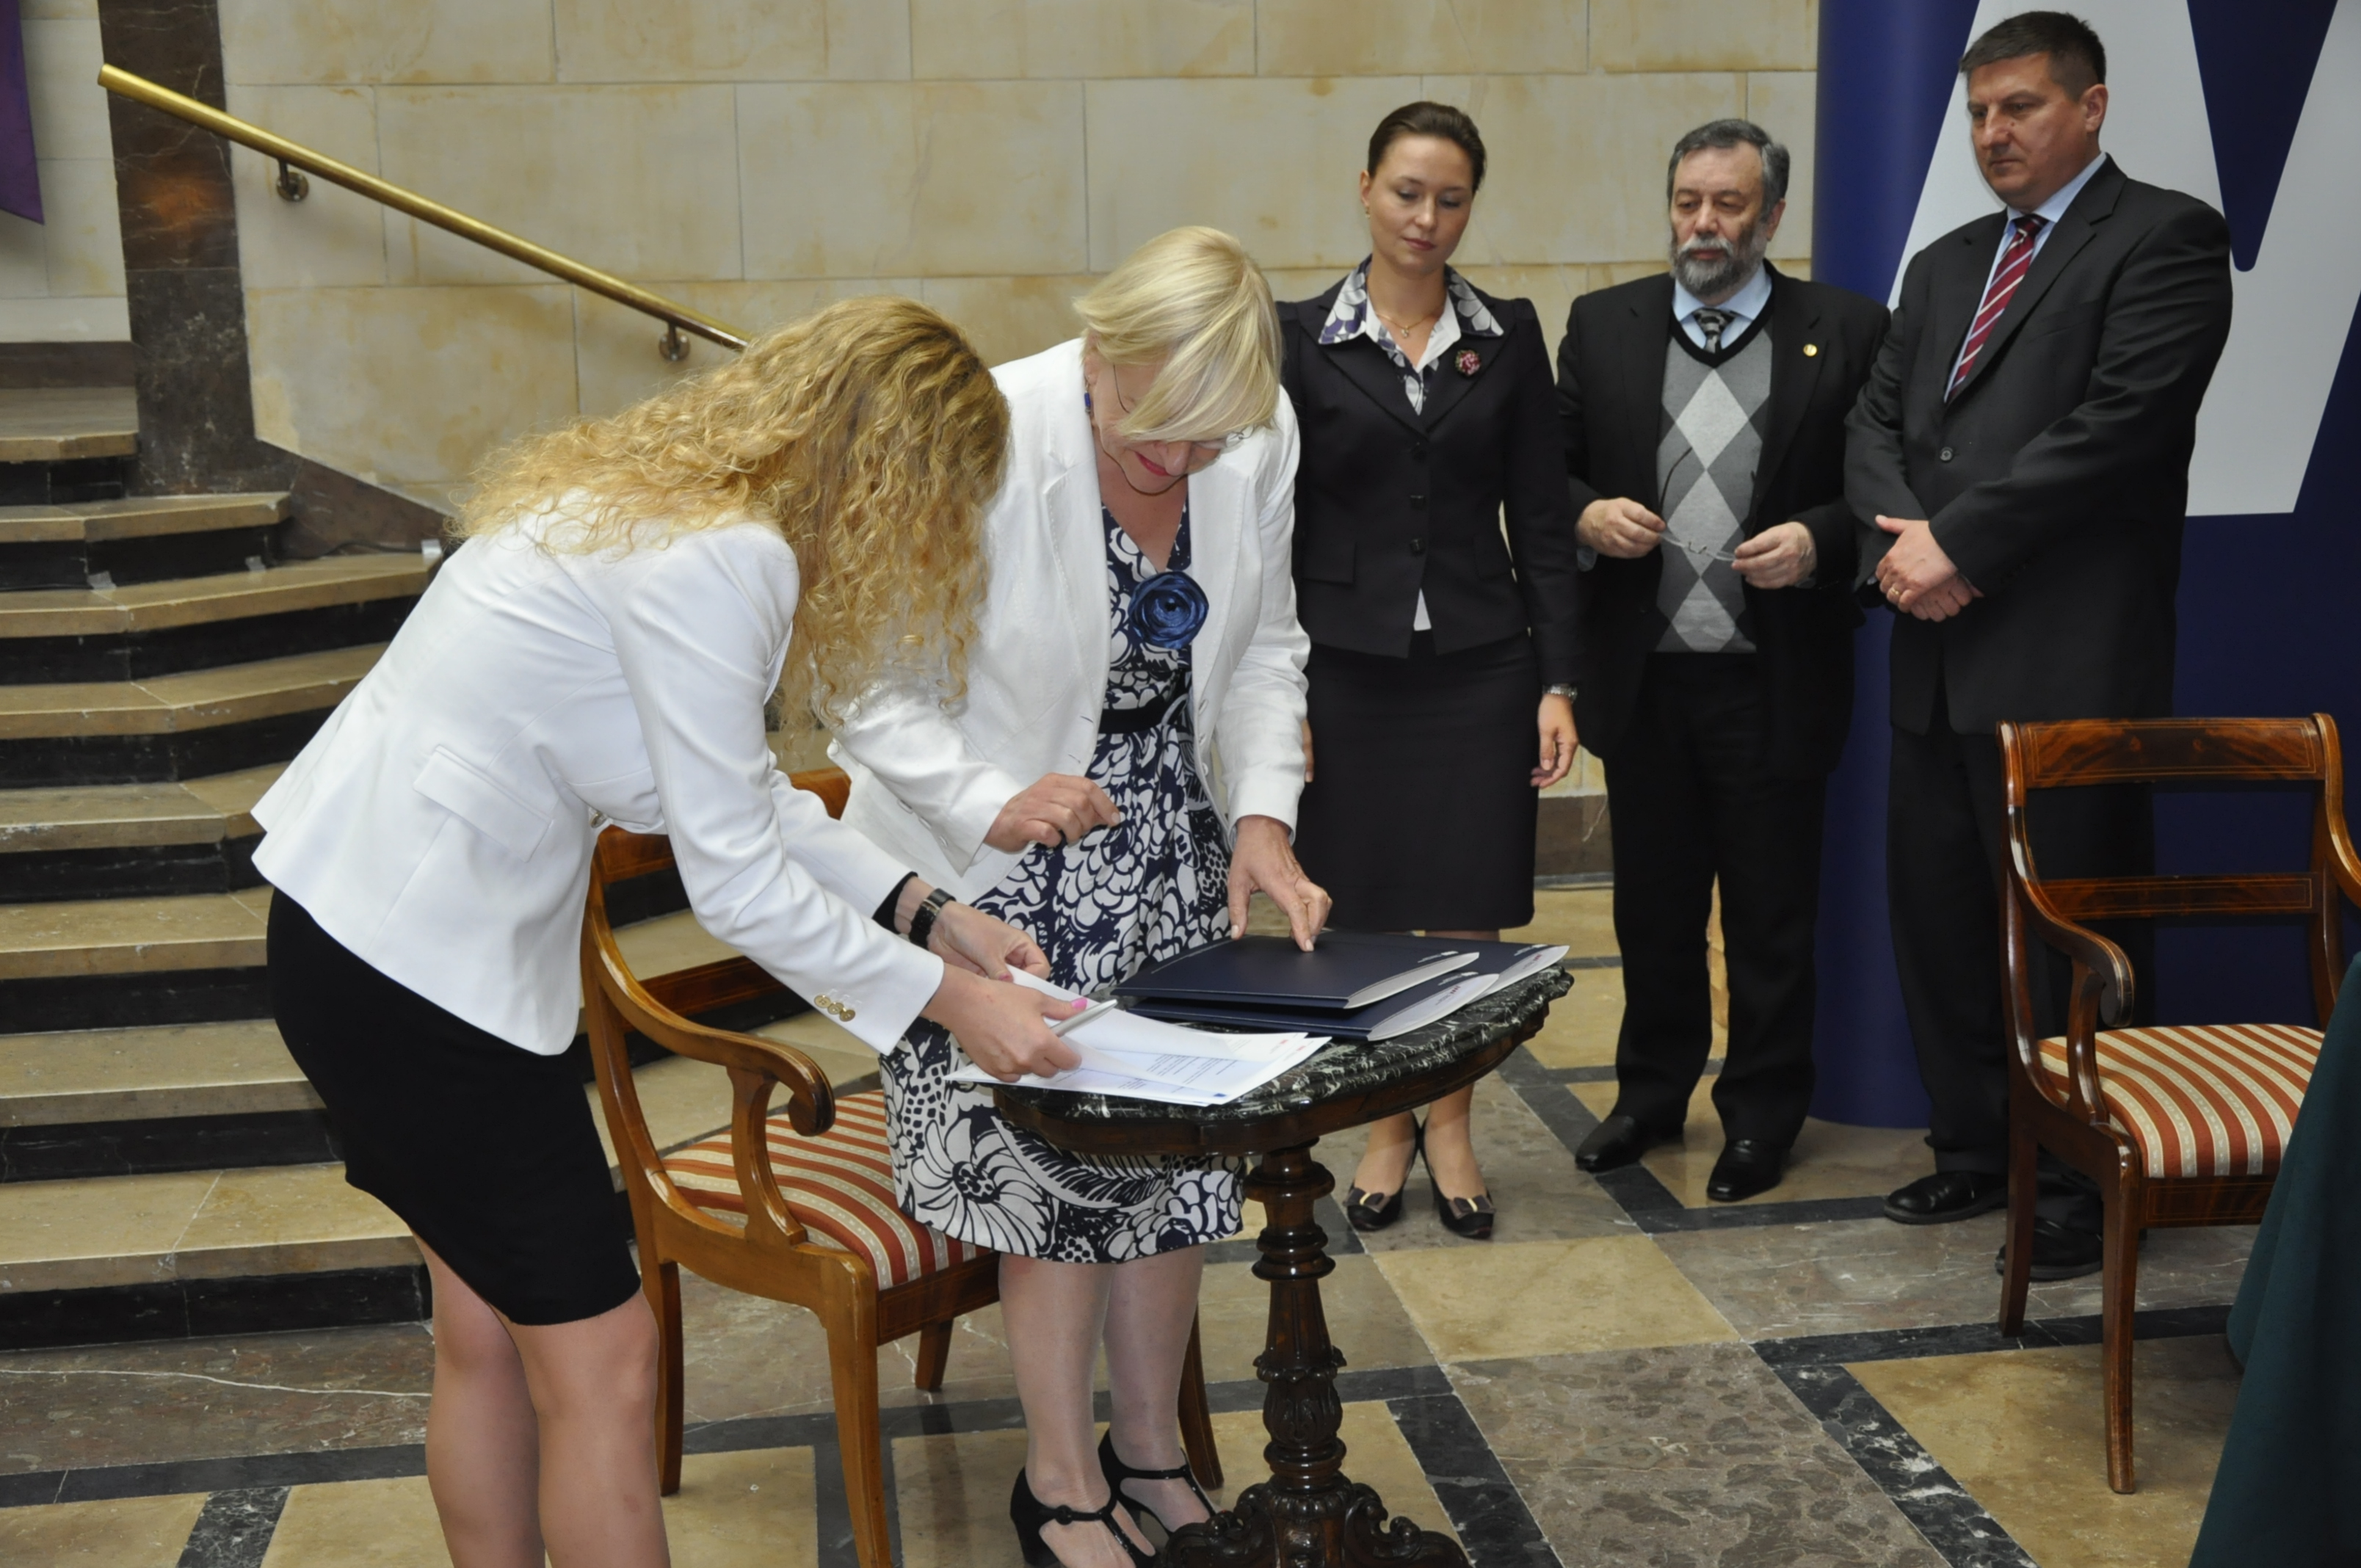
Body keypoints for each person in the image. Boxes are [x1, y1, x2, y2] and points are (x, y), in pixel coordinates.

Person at [254, 297, 1090, 1568]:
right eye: (947, 499)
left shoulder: (652, 506)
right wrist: (956, 1002)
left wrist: (932, 913)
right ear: (896, 474)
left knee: (486, 1334)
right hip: (420, 983)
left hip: (359, 940)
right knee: (609, 1364)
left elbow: (743, 797)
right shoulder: (726, 557)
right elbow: (738, 886)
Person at [830, 228, 1327, 1568]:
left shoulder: (1257, 428)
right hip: (991, 880)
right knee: (1054, 1180)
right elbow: (863, 681)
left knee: (1178, 1170)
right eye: (1156, 430)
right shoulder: (981, 436)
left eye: (1210, 439)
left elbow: (1268, 646)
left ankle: (1150, 1452)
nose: (1183, 461)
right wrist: (988, 796)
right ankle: (1057, 1485)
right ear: (1100, 353)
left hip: (1170, 849)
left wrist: (1264, 817)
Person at [1847, 12, 2233, 1276]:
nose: (1993, 133)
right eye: (1978, 113)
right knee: (1944, 926)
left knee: (2074, 934)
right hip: (1934, 658)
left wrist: (1955, 546)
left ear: (2092, 106)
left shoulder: (2166, 238)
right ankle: (1975, 1150)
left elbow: (2119, 427)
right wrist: (1910, 545)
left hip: (2068, 663)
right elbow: (1874, 425)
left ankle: (2081, 1178)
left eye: (2020, 107)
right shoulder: (1944, 262)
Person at [1555, 119, 1887, 1202]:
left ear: (1772, 215)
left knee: (1769, 917)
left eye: (1729, 205)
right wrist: (1585, 514)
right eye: (1688, 201)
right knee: (1651, 911)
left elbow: (1882, 488)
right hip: (1644, 680)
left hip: (1774, 680)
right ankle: (1650, 1097)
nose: (1704, 224)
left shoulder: (1847, 330)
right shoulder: (1603, 324)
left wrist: (1821, 542)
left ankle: (1760, 1117)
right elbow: (1546, 471)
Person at [1279, 102, 1581, 1241]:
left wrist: (1559, 682)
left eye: (1451, 199)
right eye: (1408, 192)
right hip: (1343, 670)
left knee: (1467, 910)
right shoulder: (1299, 337)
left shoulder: (1506, 335)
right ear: (1366, 190)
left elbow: (1541, 521)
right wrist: (1278, 697)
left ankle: (1449, 1125)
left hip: (1479, 666)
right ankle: (1384, 1124)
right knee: (1357, 909)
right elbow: (1269, 529)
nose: (1427, 217)